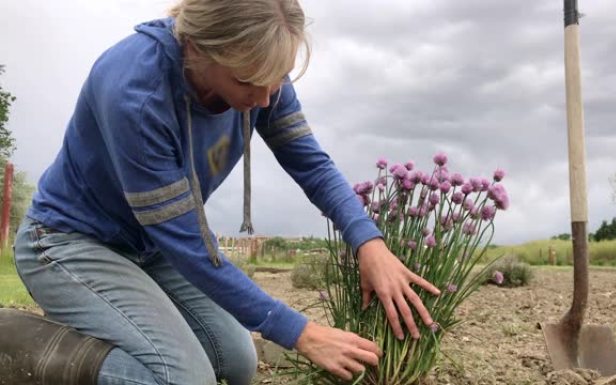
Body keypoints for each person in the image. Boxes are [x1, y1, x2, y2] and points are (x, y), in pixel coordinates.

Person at [2, 0, 440, 384]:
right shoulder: (136, 94)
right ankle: (23, 344)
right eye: (251, 82)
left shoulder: (262, 78)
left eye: (279, 78)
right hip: (69, 242)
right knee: (185, 380)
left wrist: (368, 242)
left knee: (237, 361)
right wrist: (301, 333)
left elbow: (311, 164)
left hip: (149, 248)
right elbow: (190, 245)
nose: (268, 98)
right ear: (200, 50)